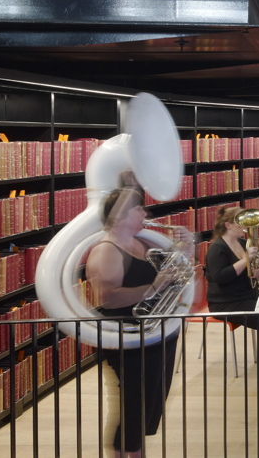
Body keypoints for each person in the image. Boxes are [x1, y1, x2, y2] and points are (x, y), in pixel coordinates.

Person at [85, 186, 183, 458]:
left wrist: (188, 244)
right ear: (119, 216)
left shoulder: (142, 243)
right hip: (128, 337)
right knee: (134, 404)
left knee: (149, 402)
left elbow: (173, 271)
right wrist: (154, 287)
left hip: (154, 334)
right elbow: (108, 299)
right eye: (138, 208)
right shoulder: (107, 250)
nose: (145, 212)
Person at [204, 205, 259, 330]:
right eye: (240, 222)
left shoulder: (244, 243)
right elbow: (220, 277)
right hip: (226, 302)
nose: (245, 225)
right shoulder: (217, 248)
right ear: (228, 225)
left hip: (247, 295)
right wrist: (245, 260)